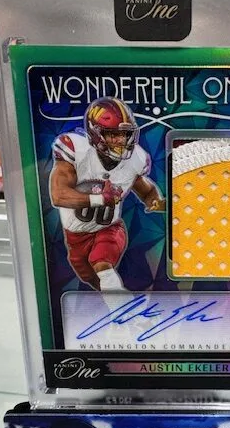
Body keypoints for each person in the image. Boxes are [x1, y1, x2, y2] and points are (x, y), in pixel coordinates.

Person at [50, 97, 165, 291]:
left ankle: (123, 307)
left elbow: (146, 190)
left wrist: (155, 201)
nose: (120, 140)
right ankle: (118, 302)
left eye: (124, 134)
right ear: (95, 133)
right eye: (113, 134)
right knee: (90, 278)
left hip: (109, 228)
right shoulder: (77, 151)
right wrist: (101, 199)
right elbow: (58, 195)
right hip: (75, 236)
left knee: (102, 264)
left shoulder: (134, 160)